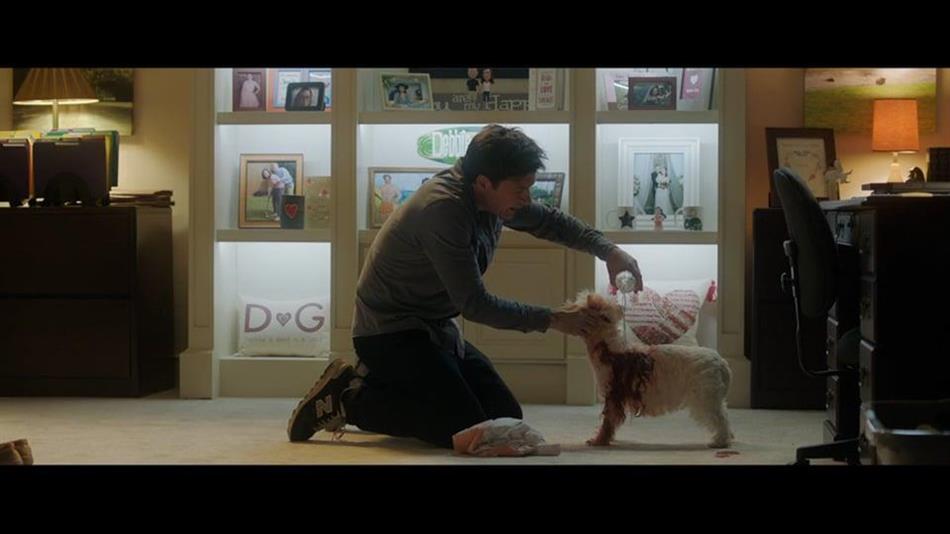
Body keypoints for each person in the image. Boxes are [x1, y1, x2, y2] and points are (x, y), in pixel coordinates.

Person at [287, 124, 643, 448]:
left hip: (436, 329)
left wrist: (609, 251)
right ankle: (347, 399)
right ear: (484, 183)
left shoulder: (494, 197)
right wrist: (555, 319)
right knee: (463, 428)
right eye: (521, 190)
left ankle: (385, 385)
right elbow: (475, 304)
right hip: (388, 333)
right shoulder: (443, 210)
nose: (526, 198)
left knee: (505, 416)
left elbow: (550, 222)